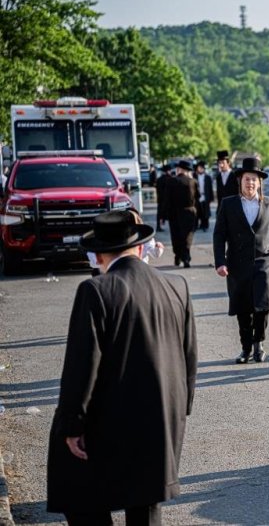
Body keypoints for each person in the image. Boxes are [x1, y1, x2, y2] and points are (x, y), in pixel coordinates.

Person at [47, 210, 197, 526]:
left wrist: (72, 425)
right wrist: (180, 410)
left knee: (79, 494)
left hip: (111, 420)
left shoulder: (97, 290)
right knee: (145, 503)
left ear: (99, 254)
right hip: (162, 417)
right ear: (140, 248)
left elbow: (82, 364)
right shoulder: (176, 285)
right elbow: (188, 357)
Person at [214, 157, 269, 364]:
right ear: (240, 180)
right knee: (243, 308)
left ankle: (259, 344)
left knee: (263, 307)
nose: (251, 183)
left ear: (259, 182)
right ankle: (246, 348)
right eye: (247, 179)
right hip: (237, 265)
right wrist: (220, 261)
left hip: (263, 263)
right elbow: (219, 235)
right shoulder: (228, 204)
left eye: (254, 179)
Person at [163, 160, 200, 268]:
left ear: (179, 170)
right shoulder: (192, 181)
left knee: (176, 235)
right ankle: (186, 257)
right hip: (189, 211)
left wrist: (163, 216)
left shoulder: (170, 181)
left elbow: (166, 200)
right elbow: (197, 199)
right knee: (187, 235)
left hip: (174, 212)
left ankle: (178, 256)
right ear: (187, 171)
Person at [194, 160, 213, 231]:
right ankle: (196, 225)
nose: (200, 169)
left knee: (205, 212)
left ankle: (205, 225)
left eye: (202, 168)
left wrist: (211, 198)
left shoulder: (207, 177)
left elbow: (210, 188)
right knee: (197, 211)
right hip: (197, 196)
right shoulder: (194, 176)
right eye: (199, 168)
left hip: (205, 196)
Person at [154, 164, 171, 232]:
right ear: (168, 171)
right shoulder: (170, 179)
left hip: (160, 199)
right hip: (168, 199)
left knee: (159, 213)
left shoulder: (159, 179)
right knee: (170, 213)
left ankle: (158, 226)